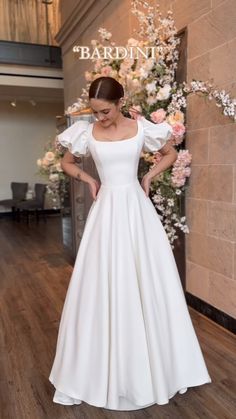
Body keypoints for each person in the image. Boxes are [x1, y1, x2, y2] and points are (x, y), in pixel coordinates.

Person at [49, 76, 211, 411]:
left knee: (147, 279)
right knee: (102, 284)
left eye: (105, 111)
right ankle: (96, 370)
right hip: (106, 211)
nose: (100, 118)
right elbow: (66, 162)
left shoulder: (142, 130)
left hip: (137, 212)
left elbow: (168, 153)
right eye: (95, 112)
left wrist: (149, 176)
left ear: (121, 102)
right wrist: (89, 178)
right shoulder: (86, 132)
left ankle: (160, 366)